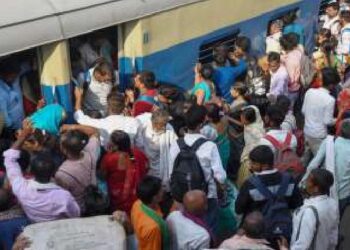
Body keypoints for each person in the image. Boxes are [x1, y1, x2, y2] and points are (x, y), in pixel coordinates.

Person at [3, 121, 80, 222]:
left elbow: (9, 158)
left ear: (31, 172)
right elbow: (75, 214)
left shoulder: (21, 188)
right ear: (54, 172)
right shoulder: (63, 197)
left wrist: (23, 136)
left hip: (33, 224)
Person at [169, 105, 226, 233]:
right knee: (207, 231)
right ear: (201, 125)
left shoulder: (176, 144)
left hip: (182, 196)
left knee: (186, 231)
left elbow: (171, 172)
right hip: (206, 197)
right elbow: (220, 177)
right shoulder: (210, 146)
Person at [235, 145, 302, 218]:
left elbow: (238, 209)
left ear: (265, 165)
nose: (250, 166)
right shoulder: (289, 180)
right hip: (283, 225)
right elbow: (297, 204)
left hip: (258, 227)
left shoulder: (249, 184)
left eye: (254, 163)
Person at [303, 119, 350, 217]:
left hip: (327, 187)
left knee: (320, 217)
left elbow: (314, 164)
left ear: (340, 130)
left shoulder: (329, 142)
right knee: (336, 218)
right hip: (345, 193)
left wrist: (303, 181)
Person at [55, 124, 100, 214]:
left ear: (64, 150)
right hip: (94, 197)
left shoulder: (62, 173)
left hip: (79, 207)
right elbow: (95, 131)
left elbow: (63, 195)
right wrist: (73, 127)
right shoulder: (91, 151)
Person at [74, 88, 141, 148]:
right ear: (124, 106)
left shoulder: (102, 123)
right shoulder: (135, 122)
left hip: (108, 157)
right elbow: (139, 143)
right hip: (129, 156)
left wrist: (78, 98)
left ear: (108, 107)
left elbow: (79, 118)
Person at [290, 169, 339, 250]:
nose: (305, 181)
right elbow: (333, 237)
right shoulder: (332, 203)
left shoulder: (309, 212)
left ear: (316, 188)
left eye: (308, 180)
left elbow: (302, 245)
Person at [101, 130, 148, 214]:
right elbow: (147, 167)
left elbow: (103, 176)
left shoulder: (109, 158)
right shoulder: (139, 153)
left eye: (110, 141)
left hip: (118, 198)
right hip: (137, 196)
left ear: (116, 146)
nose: (108, 142)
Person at [302, 67, 337, 160]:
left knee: (307, 157)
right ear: (331, 85)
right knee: (320, 161)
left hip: (307, 131)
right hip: (319, 135)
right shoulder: (330, 100)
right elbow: (327, 121)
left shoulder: (309, 92)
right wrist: (338, 118)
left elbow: (303, 111)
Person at [136, 109, 177, 187]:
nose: (164, 127)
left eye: (165, 124)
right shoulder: (143, 126)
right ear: (154, 123)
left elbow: (175, 146)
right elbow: (137, 145)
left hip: (161, 165)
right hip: (145, 163)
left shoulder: (169, 129)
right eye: (162, 125)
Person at [131, 176, 170, 250]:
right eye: (161, 190)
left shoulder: (137, 204)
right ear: (154, 197)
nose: (164, 190)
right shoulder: (153, 228)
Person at [235, 106, 265, 187]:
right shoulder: (255, 121)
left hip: (250, 158)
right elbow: (254, 108)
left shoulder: (253, 130)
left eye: (242, 119)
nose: (241, 120)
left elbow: (261, 140)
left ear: (248, 120)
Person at [0, 58, 24, 131]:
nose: (14, 78)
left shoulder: (15, 80)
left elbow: (25, 67)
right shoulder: (1, 93)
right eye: (12, 77)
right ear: (3, 75)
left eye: (16, 76)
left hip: (22, 124)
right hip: (13, 130)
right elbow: (5, 119)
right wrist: (14, 128)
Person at [280, 33, 303, 106]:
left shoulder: (289, 60)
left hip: (292, 90)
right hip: (300, 85)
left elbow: (291, 79)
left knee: (290, 109)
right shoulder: (298, 52)